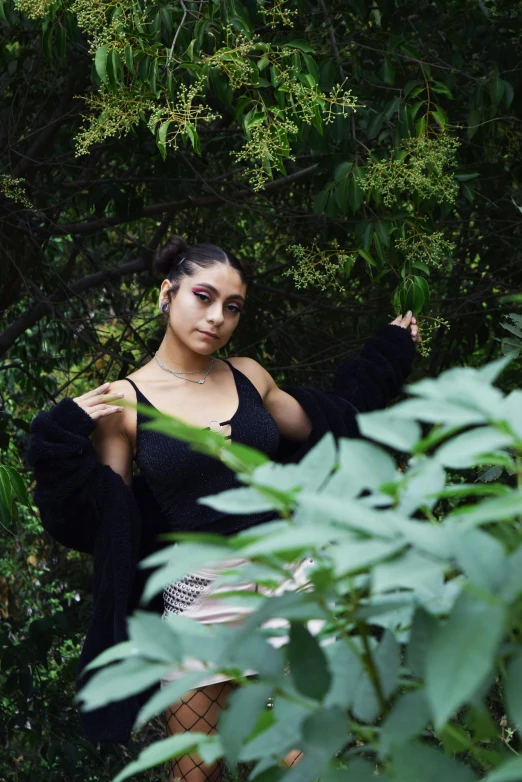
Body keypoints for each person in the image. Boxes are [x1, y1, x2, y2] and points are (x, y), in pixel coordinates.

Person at [27, 236, 420, 781]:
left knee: (311, 761)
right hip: (199, 595)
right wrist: (59, 434)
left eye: (231, 307)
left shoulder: (249, 375)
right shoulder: (124, 401)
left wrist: (387, 354)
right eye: (203, 297)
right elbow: (105, 517)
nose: (216, 317)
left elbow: (333, 426)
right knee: (194, 773)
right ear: (168, 294)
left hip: (289, 578)